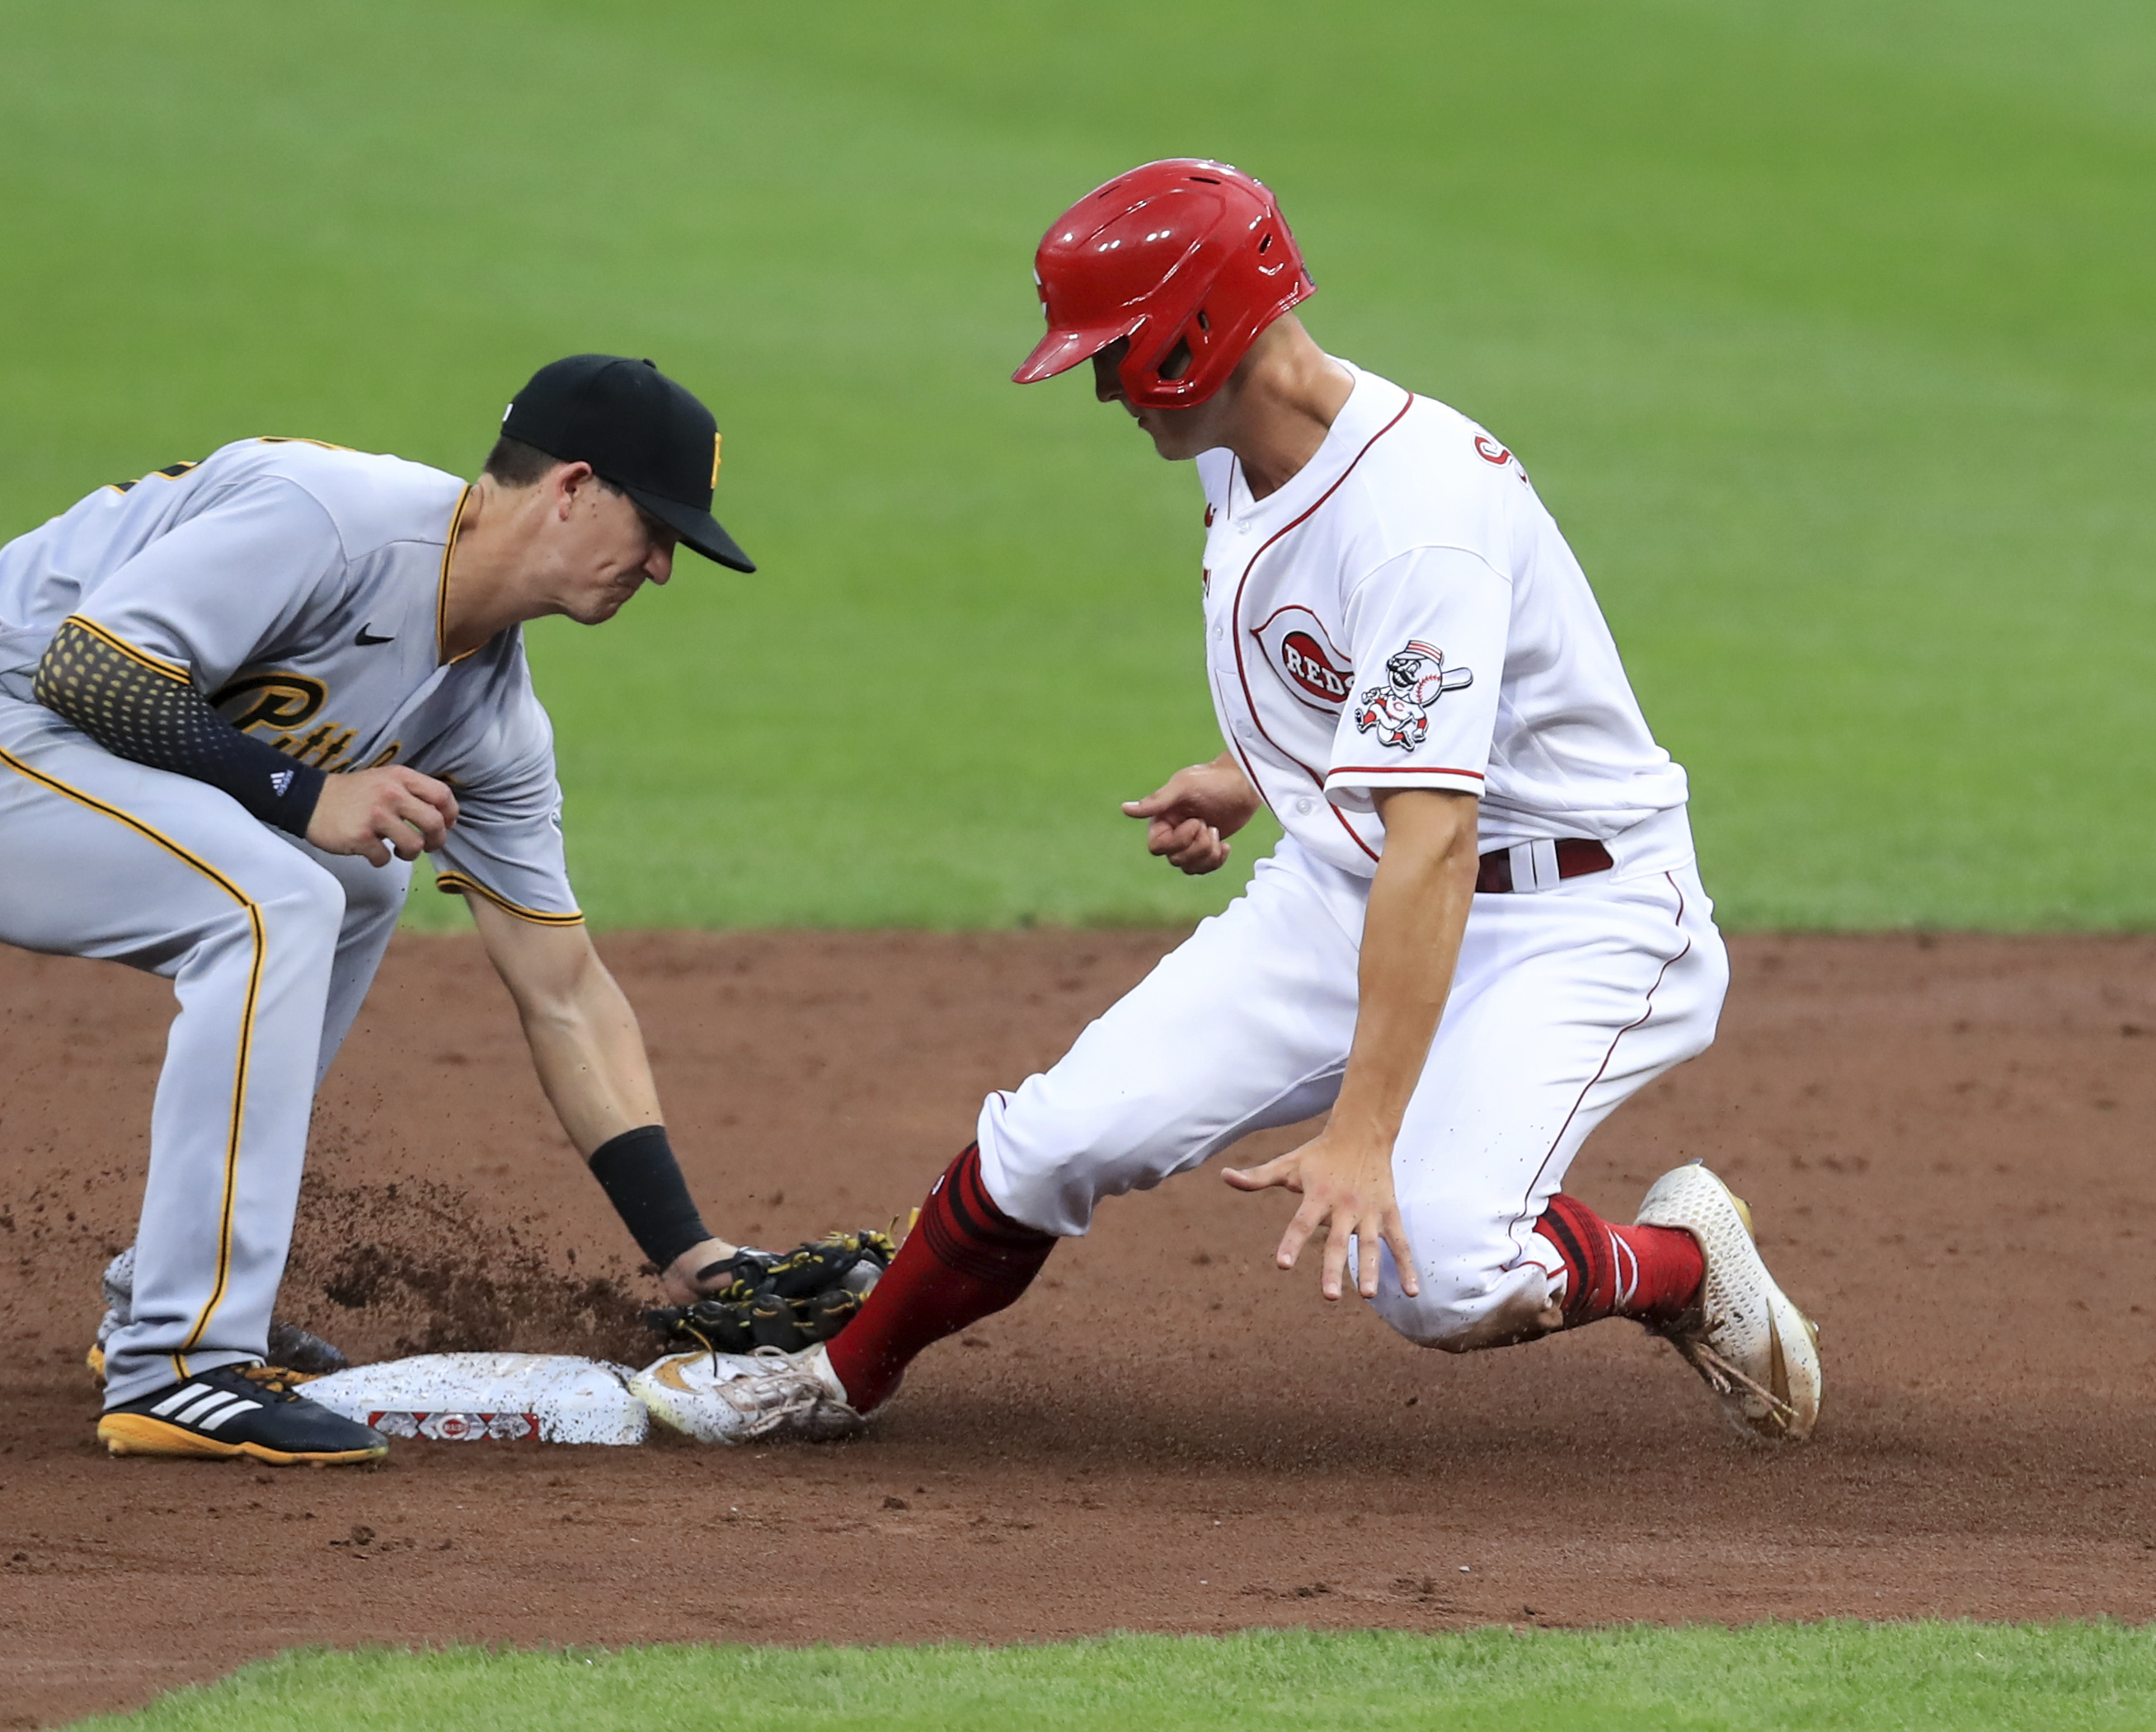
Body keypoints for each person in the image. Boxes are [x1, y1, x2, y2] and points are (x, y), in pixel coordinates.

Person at [633, 161, 1821, 1449]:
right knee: (1055, 1138)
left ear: (1198, 332)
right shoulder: (1241, 453)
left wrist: (1364, 1133)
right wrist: (1257, 772)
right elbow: (1384, 715)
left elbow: (1438, 836)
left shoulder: (1423, 518)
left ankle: (1683, 1262)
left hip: (1574, 915)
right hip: (1360, 880)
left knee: (1441, 1274)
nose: (1097, 383)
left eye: (1116, 349)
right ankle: (836, 1378)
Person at [0, 355, 764, 1465]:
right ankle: (176, 1364)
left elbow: (563, 991)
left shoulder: (494, 725)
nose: (660, 568)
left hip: (44, 764)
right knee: (278, 895)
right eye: (653, 527)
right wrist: (309, 793)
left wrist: (691, 1250)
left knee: (360, 878)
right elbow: (90, 670)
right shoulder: (334, 519)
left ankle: (159, 1295)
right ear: (569, 487)